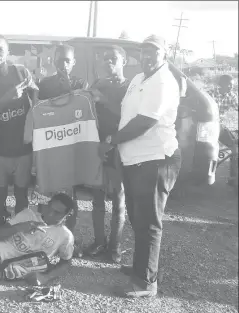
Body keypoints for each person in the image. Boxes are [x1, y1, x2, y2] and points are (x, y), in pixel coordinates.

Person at [98, 35, 181, 297]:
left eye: (153, 52)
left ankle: (147, 282)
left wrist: (112, 140)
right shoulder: (138, 79)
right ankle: (139, 267)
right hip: (135, 160)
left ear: (164, 54)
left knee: (149, 222)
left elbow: (145, 121)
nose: (147, 56)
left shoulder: (164, 81)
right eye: (144, 52)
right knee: (137, 218)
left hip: (155, 160)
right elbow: (127, 115)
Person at [0, 34, 38, 229]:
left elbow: (35, 93)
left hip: (22, 150)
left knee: (21, 196)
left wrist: (33, 110)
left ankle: (20, 233)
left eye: (0, 49)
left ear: (8, 52)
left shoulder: (21, 72)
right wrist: (6, 99)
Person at [84, 45, 130, 264]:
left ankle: (116, 246)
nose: (108, 62)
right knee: (97, 199)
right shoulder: (97, 84)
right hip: (97, 147)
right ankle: (99, 241)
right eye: (105, 59)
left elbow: (130, 118)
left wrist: (104, 101)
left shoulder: (130, 86)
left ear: (124, 61)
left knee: (119, 199)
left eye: (113, 58)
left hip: (118, 148)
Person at [208, 74, 238, 186]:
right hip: (208, 127)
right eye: (229, 84)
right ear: (222, 84)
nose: (231, 87)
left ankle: (233, 177)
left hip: (219, 126)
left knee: (235, 147)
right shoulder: (210, 94)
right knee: (208, 151)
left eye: (232, 85)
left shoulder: (231, 96)